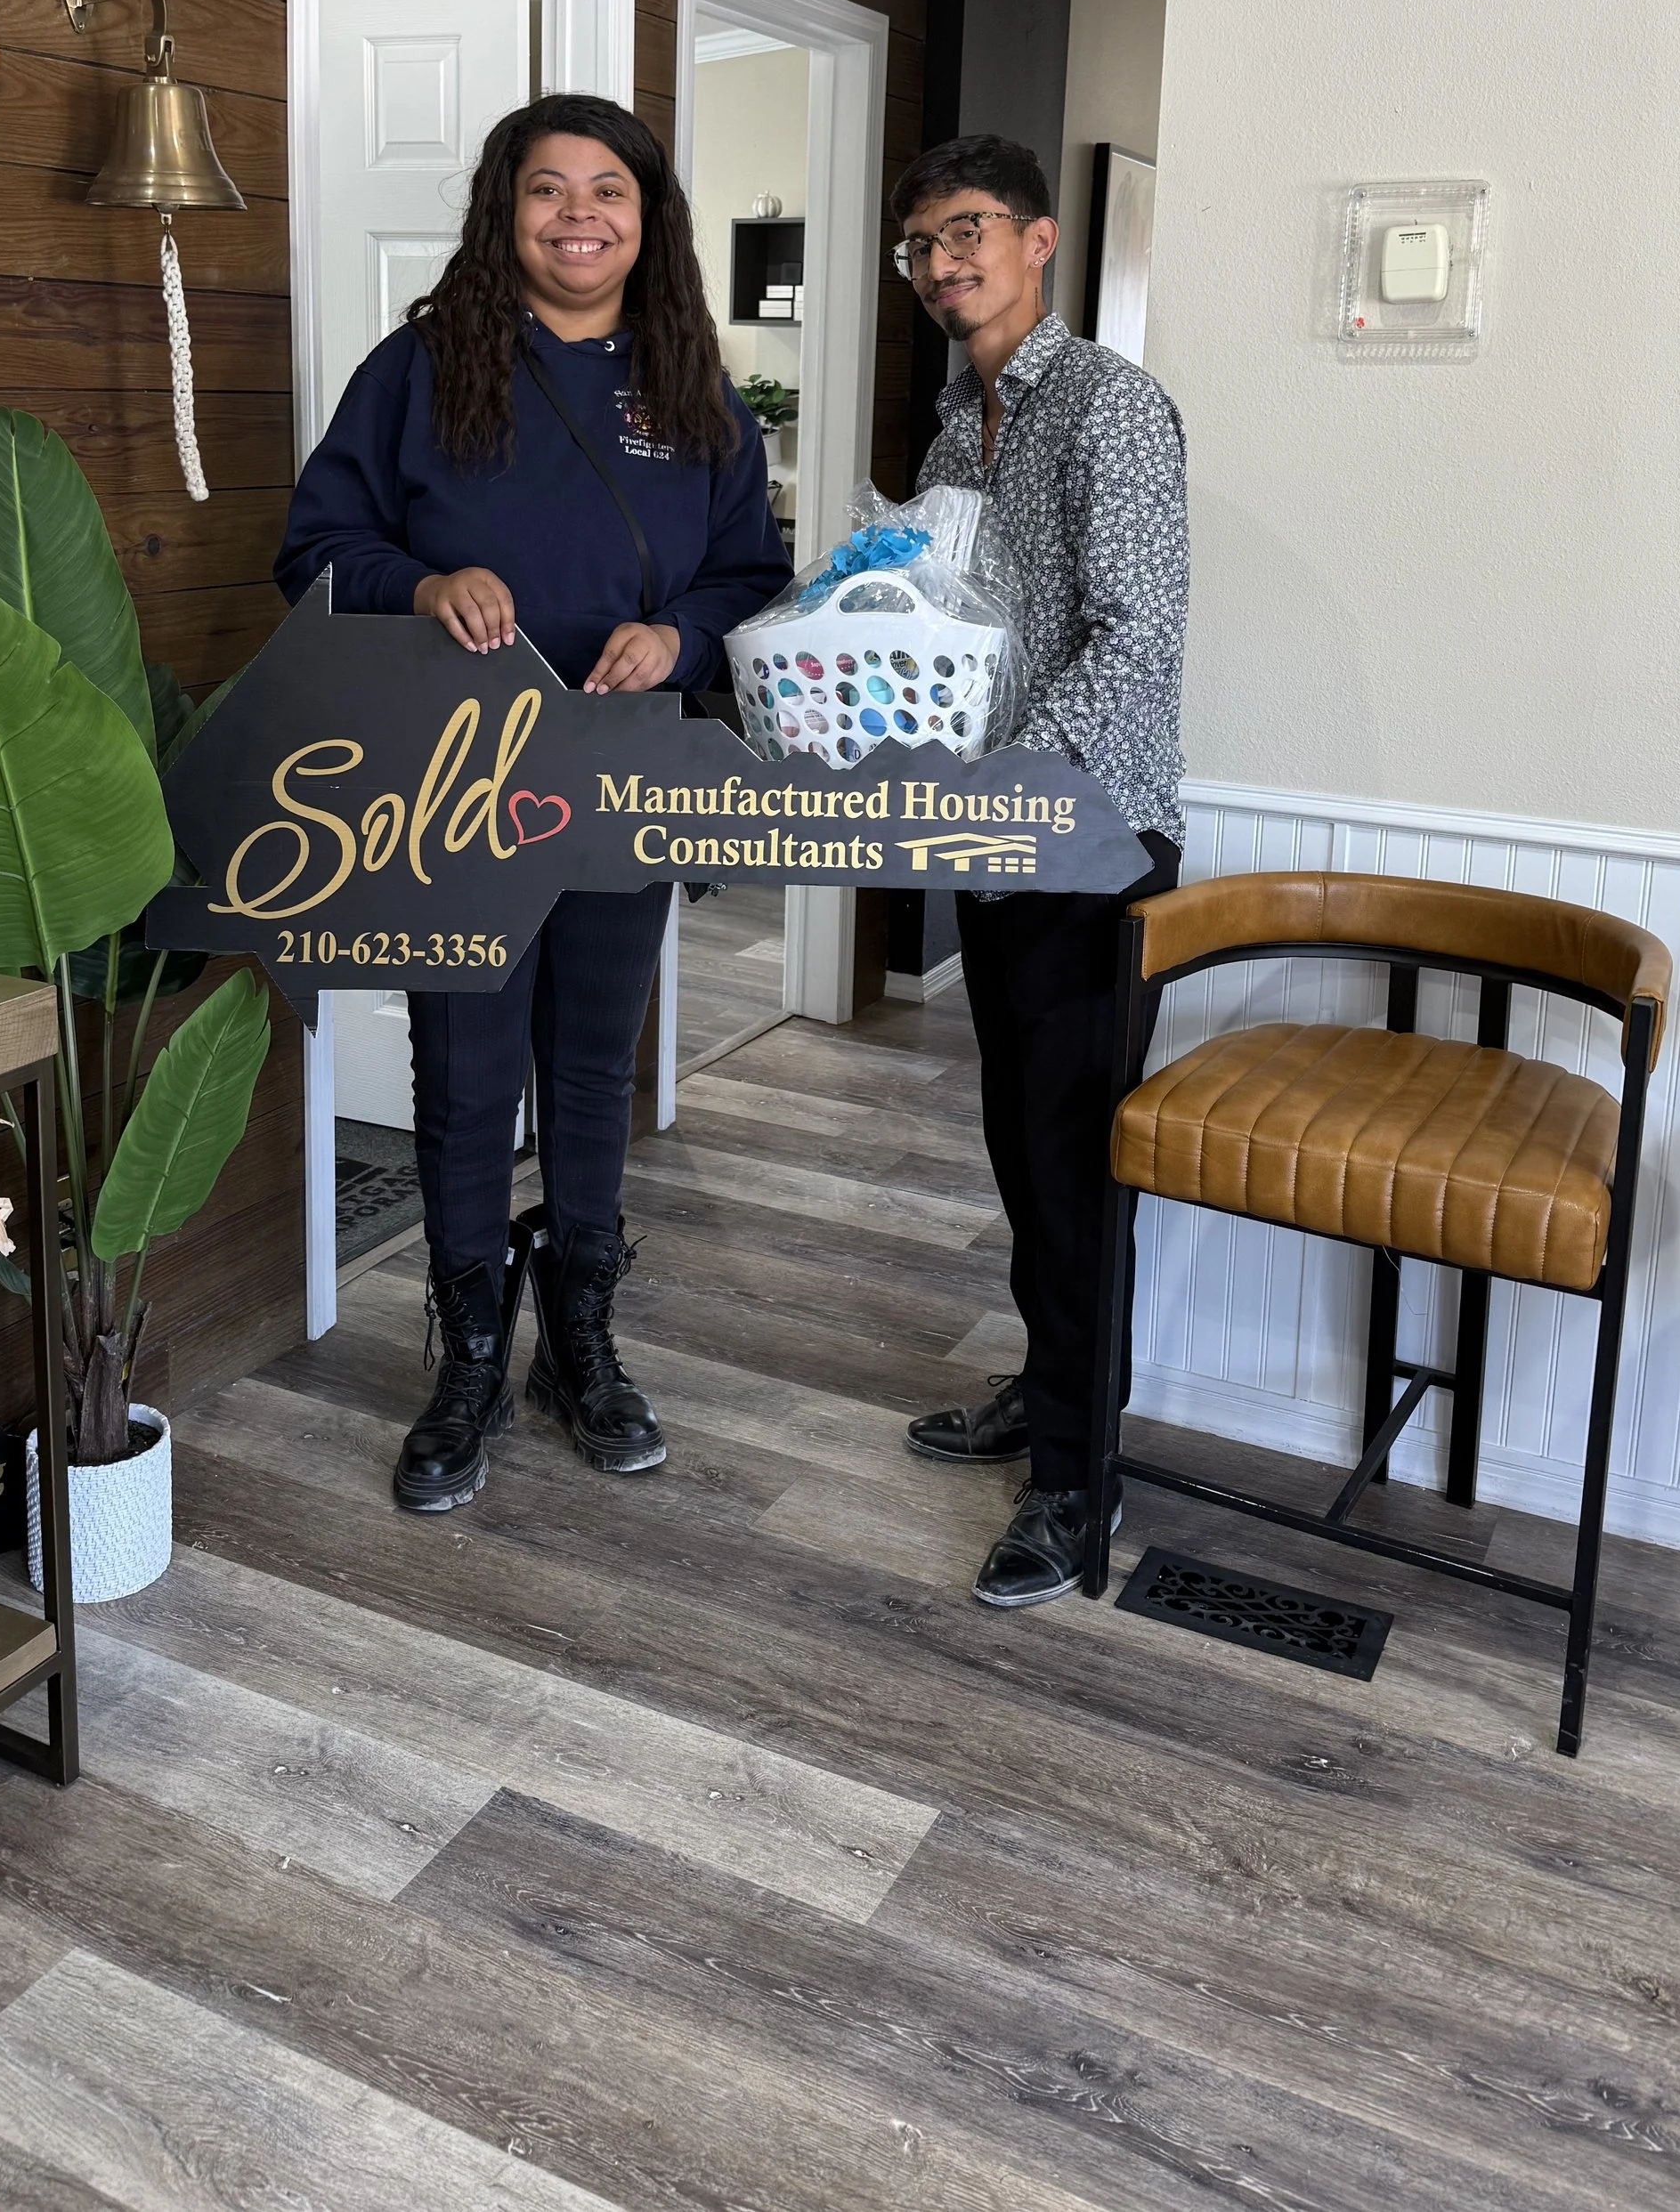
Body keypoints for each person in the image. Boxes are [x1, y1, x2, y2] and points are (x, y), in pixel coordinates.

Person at [274, 93, 791, 1514]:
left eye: (608, 191)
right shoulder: (424, 367)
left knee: (588, 1068)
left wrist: (682, 639)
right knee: (464, 1072)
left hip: (625, 778)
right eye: (548, 190)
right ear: (505, 213)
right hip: (456, 792)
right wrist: (424, 584)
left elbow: (753, 576)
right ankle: (462, 1364)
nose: (579, 215)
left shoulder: (693, 385)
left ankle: (582, 1343)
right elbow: (315, 545)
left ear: (648, 218)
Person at [894, 134, 1189, 1608]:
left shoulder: (1112, 412)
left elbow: (1136, 641)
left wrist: (1007, 775)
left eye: (967, 232)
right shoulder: (956, 433)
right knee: (1023, 1146)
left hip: (1089, 840)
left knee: (1076, 1165)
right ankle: (1045, 1385)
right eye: (923, 246)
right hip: (991, 839)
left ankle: (1078, 1482)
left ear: (1039, 240)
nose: (944, 264)